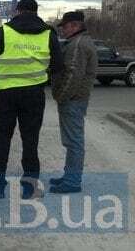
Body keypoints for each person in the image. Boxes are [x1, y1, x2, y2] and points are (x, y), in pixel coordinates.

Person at [0, 0, 64, 199]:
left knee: (2, 140)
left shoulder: (3, 32)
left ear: (18, 11)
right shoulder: (49, 33)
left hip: (6, 95)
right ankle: (31, 188)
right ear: (36, 12)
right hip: (34, 95)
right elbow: (58, 66)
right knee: (30, 141)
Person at [49, 11, 97, 193]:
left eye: (65, 26)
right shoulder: (80, 42)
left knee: (74, 141)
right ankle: (70, 176)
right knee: (72, 141)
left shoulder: (77, 45)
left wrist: (60, 96)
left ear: (75, 26)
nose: (63, 30)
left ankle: (72, 181)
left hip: (73, 100)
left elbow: (72, 75)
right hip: (76, 99)